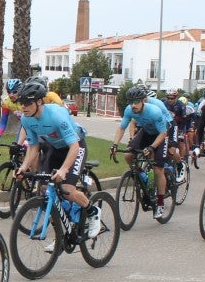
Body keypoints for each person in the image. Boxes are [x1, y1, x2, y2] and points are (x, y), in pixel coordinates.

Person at [13, 80, 100, 240]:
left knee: (67, 188)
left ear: (40, 102)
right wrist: (23, 168)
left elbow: (74, 146)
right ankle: (60, 238)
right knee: (45, 191)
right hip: (55, 148)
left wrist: (64, 169)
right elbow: (33, 146)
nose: (23, 107)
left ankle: (92, 212)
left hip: (75, 146)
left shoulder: (57, 115)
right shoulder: (26, 119)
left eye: (27, 103)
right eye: (21, 103)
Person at [111, 84, 171, 219]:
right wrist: (114, 144)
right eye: (130, 102)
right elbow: (121, 128)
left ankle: (160, 202)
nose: (133, 105)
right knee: (128, 155)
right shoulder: (129, 110)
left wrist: (152, 147)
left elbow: (163, 133)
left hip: (160, 135)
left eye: (136, 102)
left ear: (143, 101)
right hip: (146, 132)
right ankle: (143, 177)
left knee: (158, 169)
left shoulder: (154, 111)